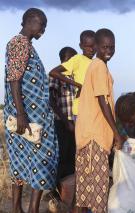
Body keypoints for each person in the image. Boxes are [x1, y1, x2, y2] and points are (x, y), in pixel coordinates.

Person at [3, 8, 58, 212]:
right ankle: (30, 208)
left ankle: (18, 207)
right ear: (28, 21)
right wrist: (21, 114)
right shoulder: (19, 43)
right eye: (41, 24)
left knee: (22, 159)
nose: (43, 29)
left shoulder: (26, 45)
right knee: (42, 158)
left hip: (30, 116)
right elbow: (15, 80)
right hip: (27, 118)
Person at [73, 28, 124, 213]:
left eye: (111, 47)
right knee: (99, 192)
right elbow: (103, 101)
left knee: (84, 193)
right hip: (95, 136)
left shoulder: (96, 65)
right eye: (104, 47)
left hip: (88, 135)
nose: (108, 50)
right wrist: (116, 133)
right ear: (95, 47)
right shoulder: (99, 66)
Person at [49, 46, 77, 208]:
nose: (75, 61)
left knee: (71, 157)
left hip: (74, 124)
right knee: (60, 158)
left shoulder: (74, 77)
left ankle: (67, 195)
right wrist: (66, 121)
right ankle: (55, 193)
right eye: (71, 58)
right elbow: (51, 101)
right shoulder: (56, 76)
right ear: (64, 59)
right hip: (61, 123)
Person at [49, 30, 96, 119]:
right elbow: (53, 72)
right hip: (75, 114)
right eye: (88, 46)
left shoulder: (95, 63)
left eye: (94, 46)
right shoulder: (77, 59)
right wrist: (79, 85)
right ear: (81, 46)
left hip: (91, 110)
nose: (91, 49)